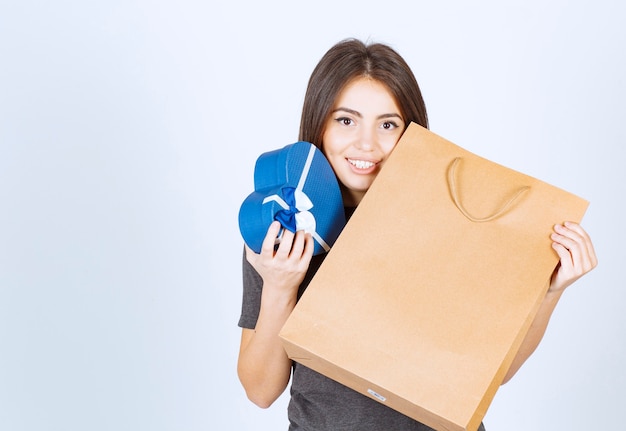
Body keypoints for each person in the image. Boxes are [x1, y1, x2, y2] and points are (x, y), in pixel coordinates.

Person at [237, 38, 598, 431]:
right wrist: (279, 287)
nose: (366, 143)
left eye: (388, 124)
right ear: (319, 123)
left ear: (411, 130)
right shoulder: (286, 226)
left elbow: (493, 376)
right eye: (346, 120)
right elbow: (260, 391)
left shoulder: (454, 222)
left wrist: (547, 290)